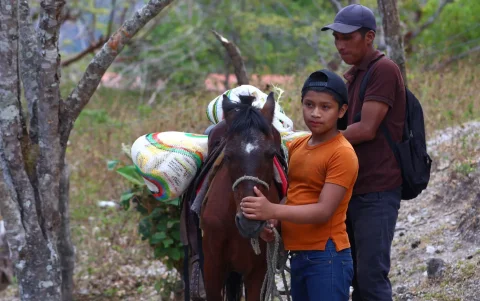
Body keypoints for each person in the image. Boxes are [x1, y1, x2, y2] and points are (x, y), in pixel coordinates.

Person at [240, 70, 359, 301]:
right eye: (309, 104)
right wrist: (274, 222)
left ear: (342, 111)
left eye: (326, 107)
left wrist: (272, 209)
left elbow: (323, 211)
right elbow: (295, 195)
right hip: (300, 257)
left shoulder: (341, 153)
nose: (315, 113)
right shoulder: (299, 145)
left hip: (328, 258)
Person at [321, 4, 407, 301]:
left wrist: (317, 144)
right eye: (337, 38)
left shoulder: (384, 69)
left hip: (378, 190)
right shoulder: (351, 76)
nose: (340, 44)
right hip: (351, 189)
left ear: (369, 37)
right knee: (353, 274)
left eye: (348, 38)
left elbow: (367, 128)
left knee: (371, 278)